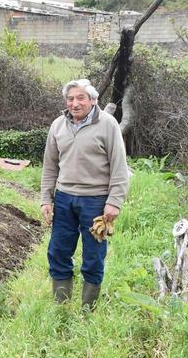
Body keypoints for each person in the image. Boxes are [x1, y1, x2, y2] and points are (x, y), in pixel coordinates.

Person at [40, 79, 129, 310]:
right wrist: (45, 200)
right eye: (70, 99)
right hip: (64, 199)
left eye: (80, 98)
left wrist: (114, 202)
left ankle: (88, 309)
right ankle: (62, 306)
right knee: (58, 251)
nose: (75, 103)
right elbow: (50, 167)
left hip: (96, 201)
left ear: (93, 100)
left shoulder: (108, 125)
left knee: (93, 256)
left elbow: (119, 167)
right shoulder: (58, 125)